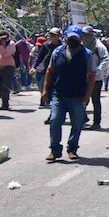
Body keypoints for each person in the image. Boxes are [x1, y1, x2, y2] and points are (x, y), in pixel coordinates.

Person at [42, 25, 95, 161]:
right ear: (66, 37)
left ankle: (72, 149)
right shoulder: (57, 52)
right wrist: (45, 90)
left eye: (75, 38)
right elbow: (50, 71)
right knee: (54, 120)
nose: (72, 40)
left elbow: (91, 76)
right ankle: (55, 150)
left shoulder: (87, 55)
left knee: (77, 124)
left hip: (77, 95)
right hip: (58, 94)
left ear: (80, 39)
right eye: (70, 38)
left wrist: (87, 95)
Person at [81, 26, 109, 129]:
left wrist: (98, 70)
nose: (84, 37)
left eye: (86, 35)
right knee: (80, 98)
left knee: (95, 100)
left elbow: (105, 59)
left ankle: (96, 122)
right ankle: (83, 118)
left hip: (96, 78)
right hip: (83, 77)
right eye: (83, 35)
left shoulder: (99, 47)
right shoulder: (82, 46)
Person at [30, 27, 62, 111]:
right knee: (44, 88)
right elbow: (39, 57)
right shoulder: (46, 46)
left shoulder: (63, 46)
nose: (53, 37)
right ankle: (48, 103)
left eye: (55, 35)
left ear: (59, 36)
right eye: (51, 35)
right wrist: (33, 67)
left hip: (59, 71)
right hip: (47, 70)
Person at [0, 32, 17, 111]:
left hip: (8, 67)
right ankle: (3, 96)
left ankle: (5, 104)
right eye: (1, 38)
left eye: (4, 38)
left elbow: (5, 54)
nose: (2, 40)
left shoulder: (11, 44)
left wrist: (1, 45)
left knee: (5, 87)